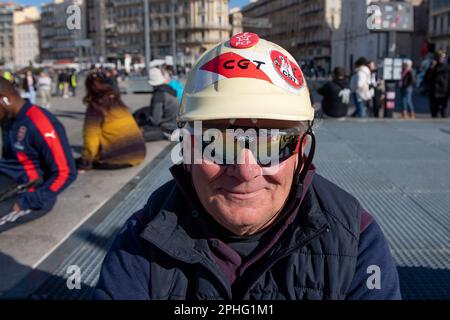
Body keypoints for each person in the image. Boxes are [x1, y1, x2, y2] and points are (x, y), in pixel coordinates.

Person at [94, 34, 401, 300]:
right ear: (186, 149)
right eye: (217, 143)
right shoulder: (142, 238)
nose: (245, 170)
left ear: (301, 153)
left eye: (272, 144)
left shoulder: (356, 241)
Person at [0, 77, 77, 232]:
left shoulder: (41, 123)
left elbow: (66, 172)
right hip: (7, 178)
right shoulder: (8, 119)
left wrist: (28, 201)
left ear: (4, 100)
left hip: (28, 193)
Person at [76, 72, 146, 171]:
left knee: (72, 163)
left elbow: (91, 139)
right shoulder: (117, 102)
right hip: (139, 154)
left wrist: (85, 164)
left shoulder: (96, 106)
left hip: (117, 159)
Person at [133, 67, 179, 142]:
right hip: (175, 124)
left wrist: (144, 121)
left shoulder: (158, 95)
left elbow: (155, 120)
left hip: (167, 129)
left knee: (137, 135)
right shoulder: (169, 89)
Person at [424, 50, 449, 118]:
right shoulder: (433, 67)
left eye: (443, 57)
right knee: (434, 113)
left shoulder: (447, 68)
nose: (441, 59)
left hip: (444, 93)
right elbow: (426, 78)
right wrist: (431, 68)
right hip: (434, 93)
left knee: (444, 113)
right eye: (440, 57)